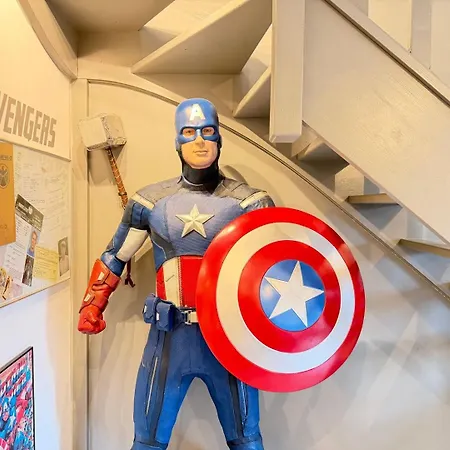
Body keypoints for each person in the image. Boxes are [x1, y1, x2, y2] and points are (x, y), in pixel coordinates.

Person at [77, 98, 275, 450]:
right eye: (189, 132)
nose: (199, 141)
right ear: (177, 140)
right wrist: (92, 304)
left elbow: (278, 266)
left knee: (247, 440)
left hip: (227, 338)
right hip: (169, 337)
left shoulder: (250, 202)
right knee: (148, 441)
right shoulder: (151, 202)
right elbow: (116, 255)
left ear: (219, 138)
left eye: (207, 131)